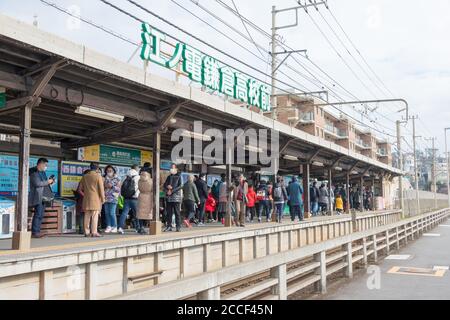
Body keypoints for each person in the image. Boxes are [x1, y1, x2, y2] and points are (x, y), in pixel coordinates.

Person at [29, 158, 55, 238]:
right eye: (45, 165)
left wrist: (51, 182)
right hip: (38, 196)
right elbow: (37, 183)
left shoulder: (43, 173)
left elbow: (44, 183)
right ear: (40, 164)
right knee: (38, 214)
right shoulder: (34, 173)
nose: (46, 167)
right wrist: (48, 181)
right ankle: (35, 232)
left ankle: (37, 231)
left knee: (40, 215)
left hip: (44, 197)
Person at [79, 163, 105, 237]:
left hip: (86, 198)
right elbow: (101, 189)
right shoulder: (98, 176)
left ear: (90, 168)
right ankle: (94, 232)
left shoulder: (85, 176)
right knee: (94, 215)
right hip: (95, 198)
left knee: (87, 215)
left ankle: (86, 232)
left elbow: (80, 188)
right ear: (97, 169)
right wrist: (103, 198)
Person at [118, 165, 141, 234]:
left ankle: (120, 227)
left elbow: (121, 185)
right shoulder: (138, 177)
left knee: (124, 213)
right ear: (137, 169)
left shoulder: (125, 176)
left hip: (126, 198)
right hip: (135, 198)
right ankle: (138, 228)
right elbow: (140, 187)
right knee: (137, 214)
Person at [163, 164, 183, 232]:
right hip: (168, 197)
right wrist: (167, 187)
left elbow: (180, 186)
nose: (171, 169)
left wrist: (172, 190)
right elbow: (164, 184)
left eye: (172, 167)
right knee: (169, 212)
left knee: (177, 212)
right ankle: (169, 226)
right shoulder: (169, 176)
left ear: (176, 169)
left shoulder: (179, 176)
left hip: (176, 197)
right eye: (170, 167)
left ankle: (178, 226)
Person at [103, 165, 121, 233]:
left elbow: (119, 189)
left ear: (114, 171)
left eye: (110, 171)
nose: (109, 172)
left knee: (112, 213)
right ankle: (109, 226)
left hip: (113, 197)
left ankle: (114, 226)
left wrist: (112, 186)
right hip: (106, 197)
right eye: (107, 171)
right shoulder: (105, 178)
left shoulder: (117, 179)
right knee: (107, 213)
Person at [74, 169, 90, 235]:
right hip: (82, 200)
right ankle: (81, 229)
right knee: (82, 215)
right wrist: (85, 196)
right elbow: (79, 190)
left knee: (84, 214)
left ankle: (84, 229)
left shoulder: (85, 181)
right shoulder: (83, 181)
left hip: (85, 200)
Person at [137, 170, 153, 234]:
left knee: (140, 214)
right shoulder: (150, 181)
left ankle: (141, 227)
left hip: (141, 196)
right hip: (148, 197)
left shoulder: (139, 180)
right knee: (149, 213)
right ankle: (149, 228)